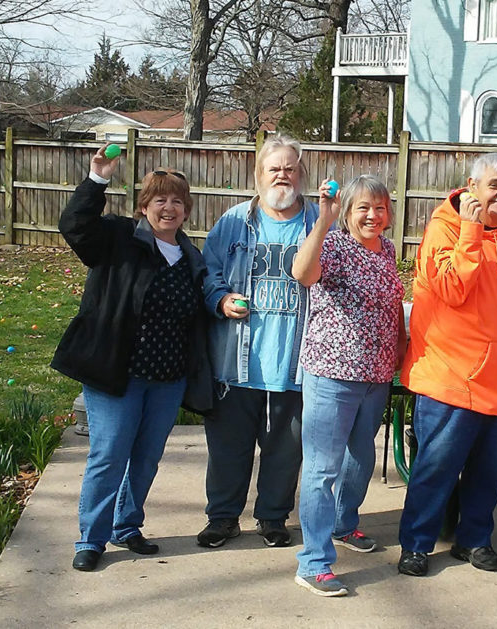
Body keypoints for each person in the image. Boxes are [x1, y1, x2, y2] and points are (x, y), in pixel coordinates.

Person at [52, 146, 213, 572]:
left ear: (186, 210)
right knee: (109, 454)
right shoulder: (119, 238)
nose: (169, 207)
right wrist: (97, 179)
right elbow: (74, 225)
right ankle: (91, 537)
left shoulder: (191, 257)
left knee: (145, 457)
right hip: (116, 373)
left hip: (167, 378)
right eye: (160, 198)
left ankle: (127, 525)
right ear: (144, 206)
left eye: (178, 200)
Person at [397, 152, 497, 577]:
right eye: (495, 184)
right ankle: (417, 545)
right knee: (435, 470)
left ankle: (475, 539)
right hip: (451, 377)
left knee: (488, 474)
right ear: (472, 186)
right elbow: (453, 287)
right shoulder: (444, 228)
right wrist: (470, 229)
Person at [197, 135, 322, 549]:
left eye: (290, 168)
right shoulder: (233, 221)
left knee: (285, 450)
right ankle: (223, 517)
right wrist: (221, 298)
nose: (282, 175)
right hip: (237, 358)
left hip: (296, 360)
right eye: (274, 168)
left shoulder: (320, 222)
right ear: (259, 175)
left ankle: (272, 516)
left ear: (301, 174)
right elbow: (207, 271)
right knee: (228, 448)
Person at [290, 175, 406, 596]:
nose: (373, 216)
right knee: (322, 468)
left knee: (360, 459)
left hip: (375, 375)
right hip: (331, 373)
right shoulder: (334, 245)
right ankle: (314, 562)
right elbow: (302, 274)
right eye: (363, 208)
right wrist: (323, 221)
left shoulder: (388, 250)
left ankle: (344, 523)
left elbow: (392, 307)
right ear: (348, 213)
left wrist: (399, 350)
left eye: (379, 208)